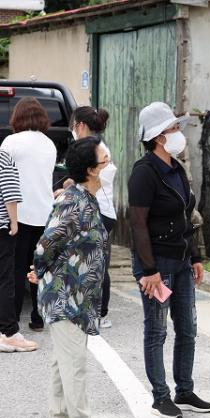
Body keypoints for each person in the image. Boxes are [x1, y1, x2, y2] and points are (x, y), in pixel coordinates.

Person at [128, 102, 210, 418]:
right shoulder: (144, 172)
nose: (180, 133)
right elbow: (138, 224)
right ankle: (160, 397)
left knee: (188, 329)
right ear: (158, 136)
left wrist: (195, 256)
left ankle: (185, 390)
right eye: (174, 128)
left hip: (181, 260)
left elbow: (185, 217)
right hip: (157, 264)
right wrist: (149, 270)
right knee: (157, 330)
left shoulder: (176, 168)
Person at [29, 136, 111, 418]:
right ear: (91, 169)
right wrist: (40, 270)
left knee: (63, 360)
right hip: (64, 296)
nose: (108, 163)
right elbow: (46, 244)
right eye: (104, 160)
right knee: (74, 363)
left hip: (78, 296)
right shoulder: (72, 201)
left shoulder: (87, 198)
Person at [0, 97, 56, 331]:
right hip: (45, 214)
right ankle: (38, 317)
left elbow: (5, 180)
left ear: (17, 117)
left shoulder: (10, 142)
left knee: (15, 268)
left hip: (18, 214)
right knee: (38, 267)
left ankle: (11, 319)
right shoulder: (50, 144)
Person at [67, 106, 117, 329]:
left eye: (73, 125)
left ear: (80, 126)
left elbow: (94, 177)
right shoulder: (91, 146)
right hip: (97, 210)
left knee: (97, 263)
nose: (73, 129)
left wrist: (69, 184)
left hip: (101, 212)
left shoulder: (97, 149)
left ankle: (100, 313)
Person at [0, 150, 37, 353]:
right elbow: (10, 192)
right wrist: (14, 222)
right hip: (1, 228)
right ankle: (8, 333)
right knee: (5, 279)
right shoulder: (3, 158)